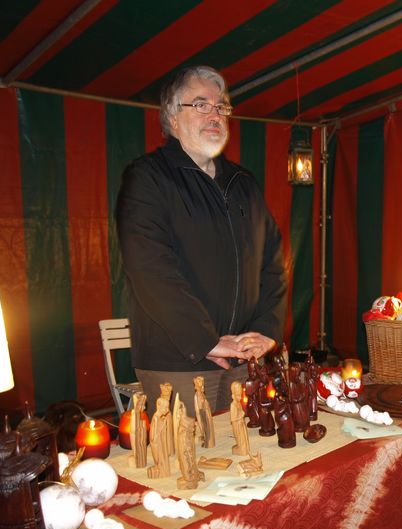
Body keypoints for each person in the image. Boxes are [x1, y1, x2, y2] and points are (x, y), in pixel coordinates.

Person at [116, 65, 287, 418]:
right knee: (188, 468)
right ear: (172, 118)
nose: (215, 114)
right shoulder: (148, 178)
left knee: (250, 465)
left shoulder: (244, 183)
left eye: (221, 106)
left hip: (244, 359)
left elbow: (274, 262)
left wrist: (268, 331)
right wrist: (204, 340)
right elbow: (150, 269)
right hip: (179, 363)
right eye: (200, 104)